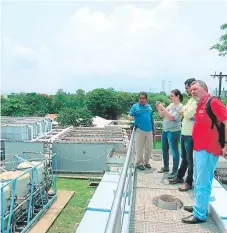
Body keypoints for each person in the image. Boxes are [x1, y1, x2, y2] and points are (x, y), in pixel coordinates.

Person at [182, 80, 227, 224]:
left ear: (205, 89)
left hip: (209, 148)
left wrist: (225, 144)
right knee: (197, 179)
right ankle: (198, 206)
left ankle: (200, 215)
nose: (192, 91)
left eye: (195, 88)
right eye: (191, 89)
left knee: (203, 182)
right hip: (199, 148)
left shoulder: (213, 102)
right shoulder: (200, 104)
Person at [168, 78, 197, 191]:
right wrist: (186, 113)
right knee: (184, 158)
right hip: (184, 133)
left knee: (190, 160)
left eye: (187, 88)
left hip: (190, 135)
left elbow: (188, 113)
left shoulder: (196, 101)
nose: (187, 91)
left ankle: (189, 182)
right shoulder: (190, 100)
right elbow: (183, 112)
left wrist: (187, 113)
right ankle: (180, 177)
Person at [156, 89, 183, 179]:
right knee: (164, 150)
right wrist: (159, 108)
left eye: (172, 96)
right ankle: (166, 167)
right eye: (170, 96)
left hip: (174, 131)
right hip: (165, 130)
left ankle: (175, 170)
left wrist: (163, 108)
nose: (170, 97)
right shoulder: (171, 105)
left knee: (175, 151)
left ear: (177, 96)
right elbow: (161, 115)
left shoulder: (180, 107)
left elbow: (172, 117)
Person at [128, 92, 154, 170]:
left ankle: (146, 162)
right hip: (139, 129)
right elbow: (130, 115)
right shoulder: (135, 106)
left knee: (149, 148)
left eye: (143, 98)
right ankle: (139, 163)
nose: (141, 100)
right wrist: (130, 117)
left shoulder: (149, 107)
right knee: (139, 148)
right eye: (140, 98)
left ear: (146, 99)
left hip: (149, 130)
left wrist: (153, 129)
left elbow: (151, 118)